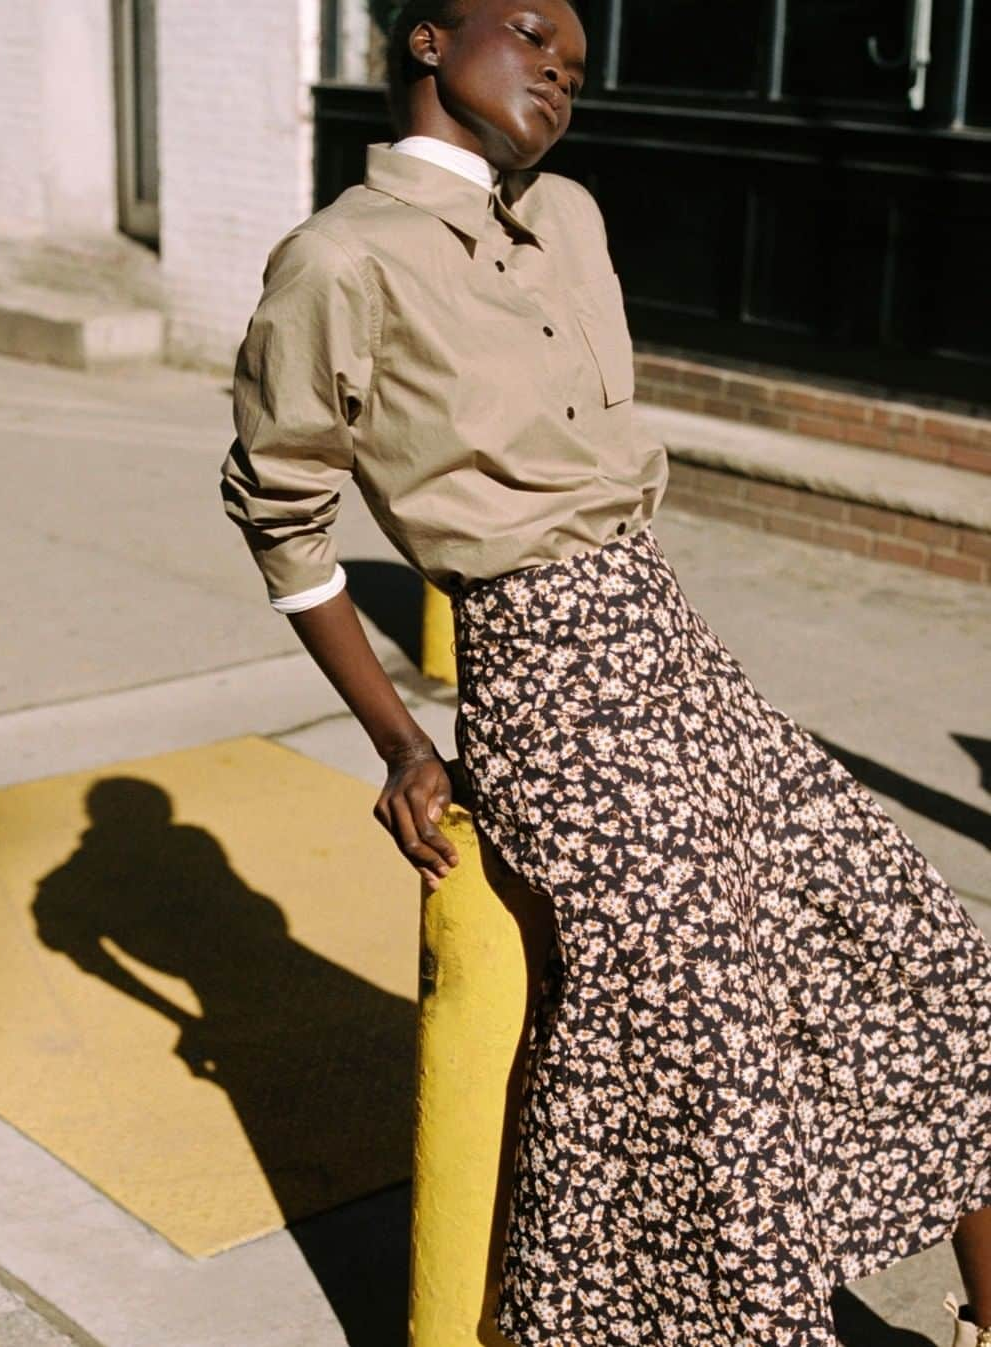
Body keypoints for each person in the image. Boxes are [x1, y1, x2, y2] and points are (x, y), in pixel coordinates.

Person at [219, 0, 991, 1341]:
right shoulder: (340, 260)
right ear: (424, 39)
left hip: (673, 645)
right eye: (529, 35)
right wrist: (404, 737)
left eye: (575, 61)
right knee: (700, 1035)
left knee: (920, 937)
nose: (560, 73)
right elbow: (282, 513)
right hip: (548, 687)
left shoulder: (568, 215)